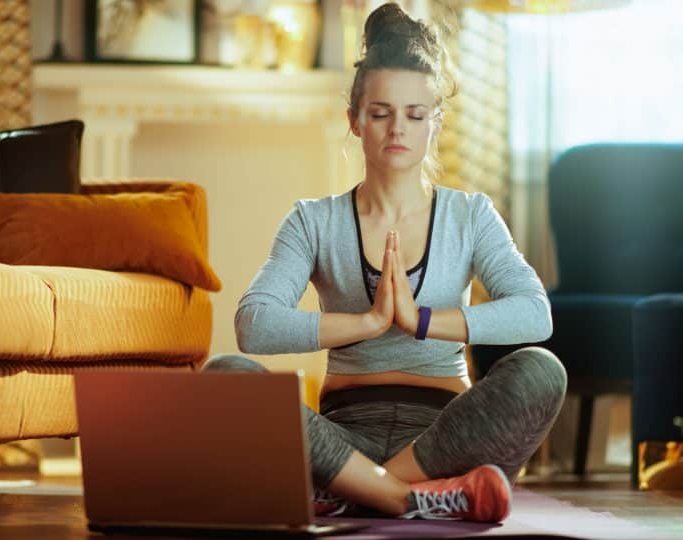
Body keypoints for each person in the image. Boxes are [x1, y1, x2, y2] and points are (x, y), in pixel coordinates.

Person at [203, 1, 567, 523]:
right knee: (225, 376)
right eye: (380, 113)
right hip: (342, 437)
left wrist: (419, 321)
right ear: (354, 120)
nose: (398, 128)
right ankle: (414, 499)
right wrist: (367, 323)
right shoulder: (313, 221)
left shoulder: (470, 215)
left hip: (445, 438)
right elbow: (253, 327)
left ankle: (358, 493)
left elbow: (535, 313)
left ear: (434, 123)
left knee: (540, 371)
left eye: (415, 115)